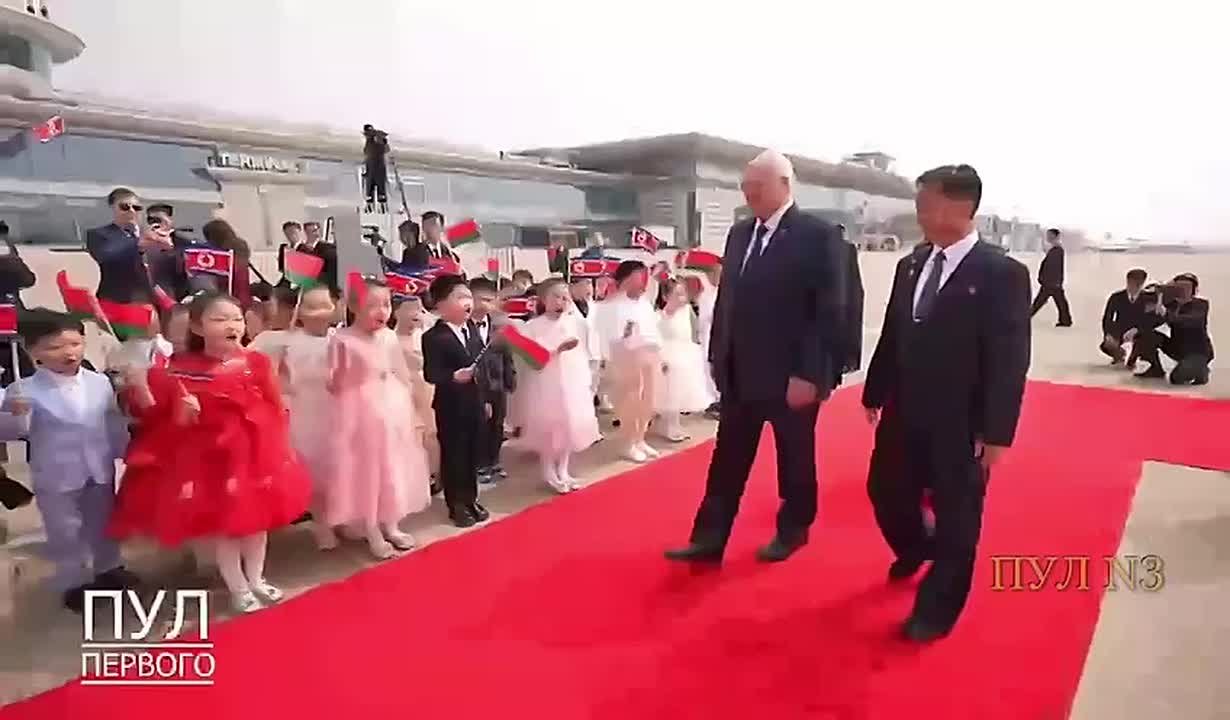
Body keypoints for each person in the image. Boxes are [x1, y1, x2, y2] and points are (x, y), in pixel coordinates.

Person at [862, 164, 1031, 642]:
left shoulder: (1001, 274)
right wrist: (875, 390)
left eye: (925, 202)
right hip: (905, 410)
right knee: (886, 492)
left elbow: (1009, 359)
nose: (917, 211)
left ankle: (937, 609)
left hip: (962, 421)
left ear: (958, 206)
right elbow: (894, 334)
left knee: (959, 517)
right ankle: (919, 545)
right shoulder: (912, 264)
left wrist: (997, 433)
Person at [665, 150, 849, 565]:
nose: (749, 194)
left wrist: (811, 373)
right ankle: (709, 538)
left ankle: (794, 528)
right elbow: (728, 299)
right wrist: (718, 355)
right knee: (727, 461)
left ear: (785, 185)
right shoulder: (740, 234)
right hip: (740, 372)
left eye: (757, 186)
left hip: (791, 376)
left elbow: (829, 311)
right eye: (745, 186)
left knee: (794, 458)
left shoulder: (818, 236)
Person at [109, 291, 312, 613]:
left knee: (257, 524)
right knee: (228, 527)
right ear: (197, 328)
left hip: (255, 452)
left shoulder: (256, 362)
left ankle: (256, 579)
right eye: (219, 319)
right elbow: (158, 418)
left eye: (236, 318)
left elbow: (274, 405)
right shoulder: (178, 370)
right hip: (209, 459)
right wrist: (179, 408)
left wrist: (282, 446)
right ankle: (238, 587)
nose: (232, 325)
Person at [0, 310, 136, 612]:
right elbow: (12, 432)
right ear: (33, 352)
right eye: (54, 347)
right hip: (56, 473)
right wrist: (13, 414)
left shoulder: (99, 382)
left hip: (98, 467)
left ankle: (109, 567)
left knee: (103, 520)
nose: (68, 353)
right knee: (65, 531)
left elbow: (111, 421)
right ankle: (74, 581)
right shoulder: (23, 390)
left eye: (74, 344)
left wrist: (124, 451)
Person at [323, 278, 430, 557]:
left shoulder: (389, 337)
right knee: (367, 471)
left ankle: (391, 524)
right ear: (354, 307)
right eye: (373, 305)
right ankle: (371, 529)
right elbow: (333, 384)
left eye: (386, 304)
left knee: (392, 466)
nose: (382, 311)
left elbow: (401, 373)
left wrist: (413, 410)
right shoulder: (342, 339)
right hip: (359, 411)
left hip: (391, 407)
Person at [515, 279, 601, 493]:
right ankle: (548, 472)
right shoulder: (532, 326)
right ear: (543, 299)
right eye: (555, 296)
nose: (561, 301)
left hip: (572, 381)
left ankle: (563, 469)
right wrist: (557, 349)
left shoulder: (574, 323)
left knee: (569, 423)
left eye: (564, 297)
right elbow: (531, 358)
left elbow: (584, 352)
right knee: (549, 427)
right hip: (545, 383)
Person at [422, 275, 488, 528]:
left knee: (472, 454)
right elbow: (431, 374)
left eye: (468, 296)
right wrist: (452, 377)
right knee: (454, 456)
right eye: (459, 297)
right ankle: (456, 505)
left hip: (474, 402)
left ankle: (471, 499)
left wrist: (486, 400)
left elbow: (481, 365)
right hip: (450, 407)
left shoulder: (472, 329)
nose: (467, 302)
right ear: (440, 304)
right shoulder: (433, 337)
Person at [599, 260, 662, 463]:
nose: (644, 282)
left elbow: (653, 330)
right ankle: (627, 443)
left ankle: (639, 438)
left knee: (649, 398)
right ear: (626, 279)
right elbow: (610, 335)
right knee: (630, 399)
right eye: (639, 277)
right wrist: (625, 336)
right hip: (626, 356)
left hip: (649, 353)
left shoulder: (644, 303)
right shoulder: (613, 305)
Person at [86, 188, 172, 304]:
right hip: (120, 299)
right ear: (113, 207)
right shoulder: (99, 234)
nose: (131, 211)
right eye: (125, 207)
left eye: (136, 208)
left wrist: (168, 247)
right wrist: (139, 244)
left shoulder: (149, 233)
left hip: (157, 295)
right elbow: (105, 256)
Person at [654, 276, 714, 442]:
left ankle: (675, 425)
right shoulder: (659, 316)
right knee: (669, 394)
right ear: (666, 296)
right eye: (677, 294)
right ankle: (668, 426)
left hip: (686, 355)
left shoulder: (687, 311)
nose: (682, 298)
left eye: (683, 293)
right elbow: (657, 340)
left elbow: (693, 331)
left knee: (680, 394)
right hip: (669, 356)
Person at [468, 278, 516, 484]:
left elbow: (507, 355)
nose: (486, 304)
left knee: (497, 424)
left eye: (489, 300)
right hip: (476, 385)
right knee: (480, 425)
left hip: (498, 382)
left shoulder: (499, 325)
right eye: (481, 299)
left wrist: (510, 377)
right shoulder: (463, 327)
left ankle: (494, 461)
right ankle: (480, 464)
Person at [1133, 273, 1213, 385]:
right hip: (1177, 347)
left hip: (1197, 352)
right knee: (1144, 334)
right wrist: (1159, 295)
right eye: (1179, 287)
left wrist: (1166, 313)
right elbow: (1152, 321)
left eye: (1186, 287)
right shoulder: (1172, 304)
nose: (1182, 290)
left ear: (1194, 290)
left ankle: (1202, 370)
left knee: (1177, 378)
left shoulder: (1201, 305)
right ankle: (1155, 369)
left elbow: (1189, 320)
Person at [1099, 268, 1149, 366]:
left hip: (1138, 331)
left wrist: (1137, 329)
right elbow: (1107, 318)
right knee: (1108, 345)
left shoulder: (1148, 298)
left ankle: (1133, 356)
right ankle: (1120, 355)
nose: (1134, 286)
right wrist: (1108, 334)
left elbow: (1150, 320)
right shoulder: (1116, 297)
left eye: (1138, 284)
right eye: (1132, 283)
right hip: (1120, 329)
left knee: (1145, 340)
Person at [1030, 228, 1072, 327]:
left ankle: (1026, 317)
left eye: (1049, 235)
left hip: (1051, 282)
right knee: (1060, 301)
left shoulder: (1057, 250)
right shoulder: (1055, 249)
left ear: (1054, 236)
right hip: (1053, 281)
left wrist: (1047, 279)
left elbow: (1053, 267)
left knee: (1040, 301)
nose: (1047, 237)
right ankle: (1066, 320)